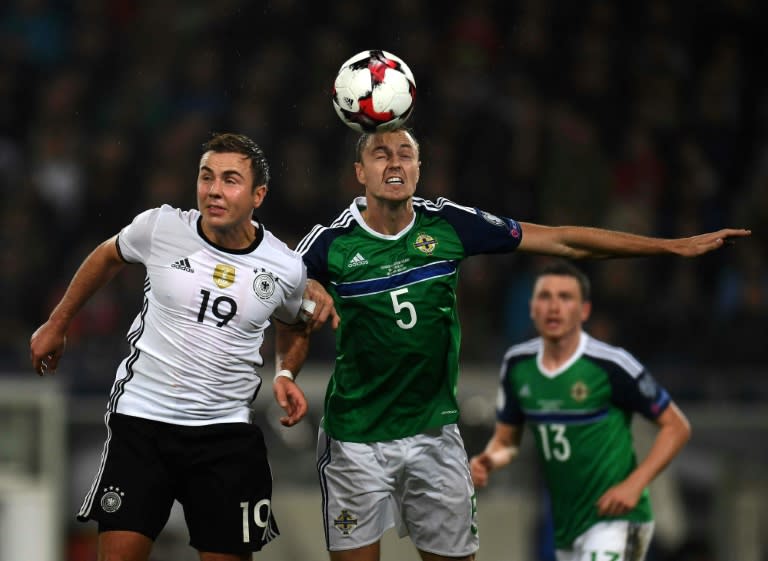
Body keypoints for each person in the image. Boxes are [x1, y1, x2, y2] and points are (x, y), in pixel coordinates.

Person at [296, 126, 748, 561]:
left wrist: (672, 246)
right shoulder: (329, 244)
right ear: (359, 172)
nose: (394, 163)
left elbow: (563, 241)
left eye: (405, 154)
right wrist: (287, 354)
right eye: (381, 154)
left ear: (419, 168)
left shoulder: (450, 224)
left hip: (433, 434)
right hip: (356, 439)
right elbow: (278, 290)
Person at [29, 132, 319, 561]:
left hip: (225, 433)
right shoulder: (161, 227)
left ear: (258, 195)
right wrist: (58, 321)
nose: (214, 190)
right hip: (143, 422)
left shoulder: (286, 267)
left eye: (230, 180)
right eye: (207, 177)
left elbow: (295, 324)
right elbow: (108, 254)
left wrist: (285, 372)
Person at [470, 260, 692, 560]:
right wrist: (487, 461)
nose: (554, 307)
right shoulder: (518, 367)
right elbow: (507, 442)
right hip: (565, 518)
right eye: (545, 297)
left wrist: (633, 486)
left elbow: (676, 427)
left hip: (616, 519)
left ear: (583, 311)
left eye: (565, 297)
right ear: (533, 307)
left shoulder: (614, 365)